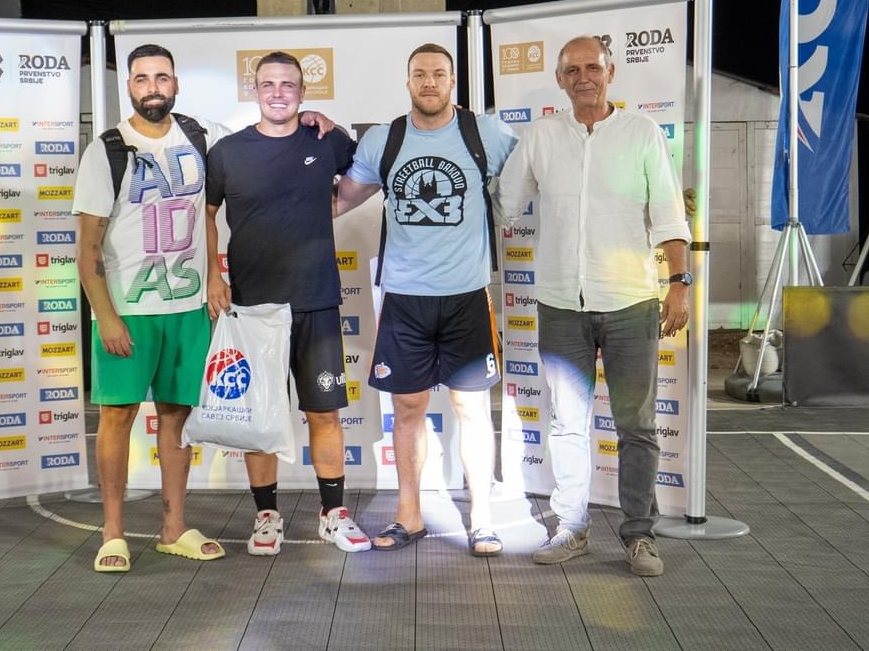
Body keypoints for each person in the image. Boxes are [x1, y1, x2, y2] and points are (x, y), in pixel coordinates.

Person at [74, 44, 334, 572]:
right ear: (129, 86)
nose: (153, 87)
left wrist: (314, 118)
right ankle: (112, 534)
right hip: (129, 310)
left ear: (175, 84)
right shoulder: (108, 149)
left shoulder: (201, 136)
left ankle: (173, 529)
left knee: (177, 419)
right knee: (118, 417)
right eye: (142, 78)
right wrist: (105, 315)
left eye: (162, 77)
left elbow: (264, 138)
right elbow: (87, 246)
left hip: (190, 308)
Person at [496, 35, 691, 577]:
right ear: (560, 79)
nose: (583, 77)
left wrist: (679, 282)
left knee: (637, 425)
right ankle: (572, 526)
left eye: (593, 68)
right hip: (560, 304)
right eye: (572, 70)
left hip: (631, 303)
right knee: (567, 426)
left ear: (610, 74)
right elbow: (505, 203)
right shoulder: (540, 136)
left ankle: (640, 535)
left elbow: (669, 215)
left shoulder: (642, 133)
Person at [334, 43, 517, 556]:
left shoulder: (485, 133)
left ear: (452, 81)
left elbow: (536, 170)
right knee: (408, 408)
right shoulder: (384, 139)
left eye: (439, 73)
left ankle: (482, 520)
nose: (429, 82)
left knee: (472, 409)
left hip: (466, 296)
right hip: (405, 298)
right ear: (408, 82)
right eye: (420, 74)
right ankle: (408, 516)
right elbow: (340, 200)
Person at [206, 51, 371, 555]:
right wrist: (213, 274)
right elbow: (205, 214)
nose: (278, 93)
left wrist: (334, 196)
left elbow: (373, 163)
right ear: (254, 90)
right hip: (253, 308)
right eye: (269, 84)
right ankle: (266, 516)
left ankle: (332, 514)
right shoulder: (227, 152)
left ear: (302, 91)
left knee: (325, 413)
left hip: (316, 301)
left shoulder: (326, 140)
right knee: (260, 416)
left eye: (288, 85)